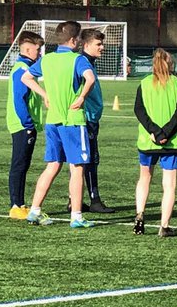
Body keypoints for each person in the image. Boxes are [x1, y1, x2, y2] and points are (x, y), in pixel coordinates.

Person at [26, 21, 97, 228]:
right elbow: (90, 78)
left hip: (53, 121)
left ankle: (34, 210)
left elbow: (26, 77)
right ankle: (76, 216)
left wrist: (44, 94)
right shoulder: (78, 60)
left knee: (52, 166)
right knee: (77, 169)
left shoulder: (47, 60)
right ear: (75, 41)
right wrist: (82, 97)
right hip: (72, 120)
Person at [133, 49, 177, 237]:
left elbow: (139, 110)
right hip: (171, 143)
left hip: (148, 141)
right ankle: (164, 226)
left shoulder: (144, 83)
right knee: (169, 185)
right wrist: (165, 133)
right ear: (171, 64)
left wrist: (154, 132)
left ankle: (139, 215)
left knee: (144, 178)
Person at [5, 30, 46, 219]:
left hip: (25, 124)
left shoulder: (25, 67)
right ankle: (16, 205)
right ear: (28, 49)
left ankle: (20, 203)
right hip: (22, 125)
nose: (39, 53)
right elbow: (19, 99)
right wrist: (27, 122)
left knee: (23, 164)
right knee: (19, 164)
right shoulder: (22, 69)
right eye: (37, 50)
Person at [77, 28, 113, 213]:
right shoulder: (82, 62)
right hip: (86, 118)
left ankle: (73, 200)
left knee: (83, 159)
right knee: (90, 159)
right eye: (98, 44)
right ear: (86, 45)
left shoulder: (89, 62)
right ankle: (94, 200)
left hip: (91, 117)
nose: (102, 47)